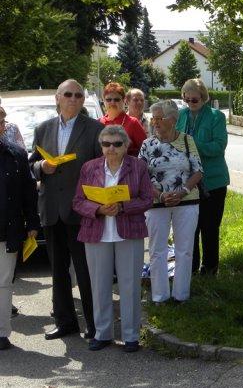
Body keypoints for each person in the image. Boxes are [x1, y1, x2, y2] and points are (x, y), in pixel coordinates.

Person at [30, 79, 104, 340]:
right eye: (68, 94)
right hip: (51, 208)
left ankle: (95, 325)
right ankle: (65, 321)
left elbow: (102, 169)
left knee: (85, 270)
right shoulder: (42, 129)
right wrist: (42, 168)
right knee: (58, 270)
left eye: (79, 95)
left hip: (82, 211)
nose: (74, 99)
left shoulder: (95, 129)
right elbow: (32, 164)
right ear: (57, 98)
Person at [72, 125, 153, 352]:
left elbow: (147, 199)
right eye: (106, 144)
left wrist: (122, 207)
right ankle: (102, 333)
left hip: (129, 231)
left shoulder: (138, 166)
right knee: (99, 286)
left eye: (117, 144)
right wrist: (97, 209)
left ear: (126, 145)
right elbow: (78, 201)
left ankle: (131, 335)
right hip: (96, 233)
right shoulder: (89, 168)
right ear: (101, 146)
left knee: (129, 285)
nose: (111, 148)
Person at [139, 100, 203, 304]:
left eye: (158, 118)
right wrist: (159, 195)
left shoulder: (187, 140)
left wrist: (183, 191)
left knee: (185, 249)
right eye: (152, 117)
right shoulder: (148, 144)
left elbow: (198, 170)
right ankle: (160, 296)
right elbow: (140, 175)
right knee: (157, 250)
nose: (154, 122)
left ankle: (181, 295)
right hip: (157, 203)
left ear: (173, 120)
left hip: (187, 201)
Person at [176, 79, 230, 275]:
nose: (190, 103)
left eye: (195, 100)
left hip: (212, 181)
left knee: (209, 228)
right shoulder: (180, 115)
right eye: (187, 99)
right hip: (186, 182)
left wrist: (191, 144)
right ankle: (190, 268)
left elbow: (218, 146)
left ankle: (210, 268)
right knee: (190, 229)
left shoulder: (216, 116)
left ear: (204, 98)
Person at [0, 140, 39, 350]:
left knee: (4, 283)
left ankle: (1, 333)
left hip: (7, 228)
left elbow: (28, 190)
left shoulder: (15, 153)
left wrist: (32, 221)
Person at [99, 82, 147, 156]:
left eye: (116, 99)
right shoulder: (98, 122)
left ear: (123, 101)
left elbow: (146, 150)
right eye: (109, 99)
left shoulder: (133, 122)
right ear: (104, 101)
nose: (112, 102)